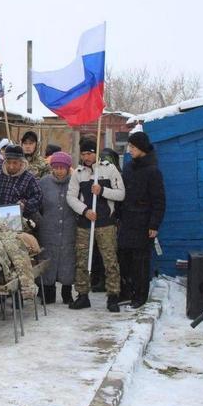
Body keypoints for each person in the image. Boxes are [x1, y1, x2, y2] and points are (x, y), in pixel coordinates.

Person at [66, 137, 126, 312]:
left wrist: (102, 191)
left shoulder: (109, 169)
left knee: (110, 260)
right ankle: (82, 294)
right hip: (85, 223)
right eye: (83, 153)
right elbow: (71, 197)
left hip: (106, 223)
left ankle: (113, 295)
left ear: (96, 153)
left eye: (90, 153)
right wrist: (85, 210)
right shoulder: (78, 173)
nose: (86, 157)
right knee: (82, 260)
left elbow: (121, 194)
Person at [118, 132, 166, 308]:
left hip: (143, 222)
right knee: (125, 259)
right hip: (126, 220)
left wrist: (154, 224)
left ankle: (140, 296)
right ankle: (127, 292)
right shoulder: (129, 167)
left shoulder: (153, 171)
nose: (130, 150)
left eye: (133, 147)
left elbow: (159, 201)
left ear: (142, 149)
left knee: (140, 262)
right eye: (129, 147)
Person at [38, 151, 77, 304]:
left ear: (68, 168)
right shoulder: (43, 182)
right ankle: (48, 293)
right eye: (56, 167)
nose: (59, 170)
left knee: (68, 260)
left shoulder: (74, 182)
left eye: (63, 167)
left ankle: (67, 293)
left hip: (69, 227)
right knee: (48, 259)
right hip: (48, 228)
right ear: (51, 168)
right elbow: (37, 204)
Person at [0, 144, 42, 227]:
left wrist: (25, 205)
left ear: (21, 162)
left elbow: (38, 197)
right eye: (8, 162)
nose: (11, 166)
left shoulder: (28, 178)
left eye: (15, 163)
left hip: (16, 226)